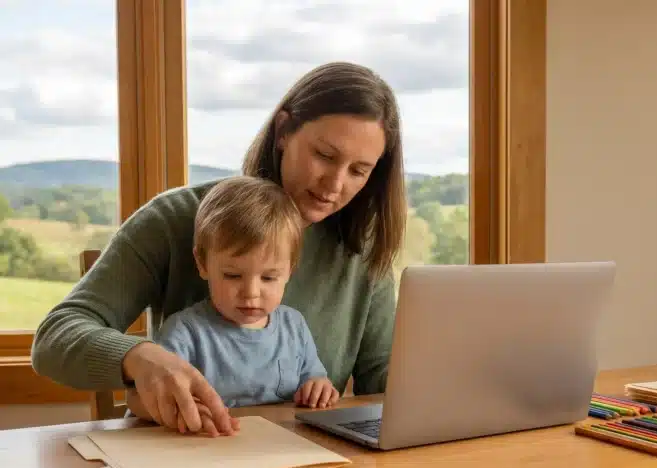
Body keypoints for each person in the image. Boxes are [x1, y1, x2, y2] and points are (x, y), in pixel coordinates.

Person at [31, 61, 406, 437]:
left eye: (358, 170)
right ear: (283, 132)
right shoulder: (174, 219)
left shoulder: (362, 244)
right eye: (324, 155)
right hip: (194, 453)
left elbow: (384, 379)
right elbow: (55, 338)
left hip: (308, 462)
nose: (335, 184)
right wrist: (140, 358)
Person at [124, 176, 342, 434]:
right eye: (232, 275)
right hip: (206, 448)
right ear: (203, 264)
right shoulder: (186, 331)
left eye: (269, 278)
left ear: (290, 270)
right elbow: (137, 400)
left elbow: (316, 380)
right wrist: (177, 408)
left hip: (275, 449)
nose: (250, 293)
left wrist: (320, 388)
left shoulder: (294, 326)